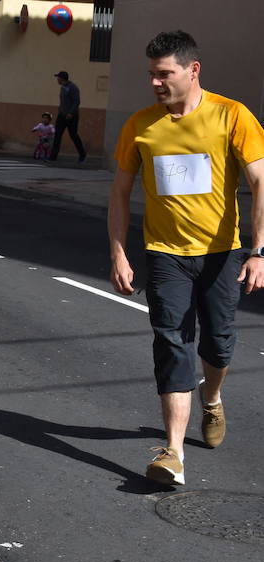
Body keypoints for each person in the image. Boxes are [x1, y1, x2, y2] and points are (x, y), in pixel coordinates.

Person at [108, 30, 264, 487]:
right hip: (165, 254)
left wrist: (258, 250)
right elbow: (119, 193)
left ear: (193, 70)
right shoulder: (140, 124)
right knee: (172, 342)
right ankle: (173, 451)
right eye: (151, 75)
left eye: (164, 74)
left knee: (218, 342)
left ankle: (211, 397)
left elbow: (260, 183)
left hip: (222, 254)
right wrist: (118, 251)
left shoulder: (231, 115)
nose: (155, 83)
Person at [51, 70, 87, 163]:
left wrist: (70, 113)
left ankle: (82, 154)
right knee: (57, 135)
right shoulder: (63, 87)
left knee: (73, 135)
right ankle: (53, 157)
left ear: (62, 79)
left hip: (72, 116)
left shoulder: (73, 88)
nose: (57, 79)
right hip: (62, 115)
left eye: (58, 78)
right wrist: (60, 110)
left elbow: (76, 101)